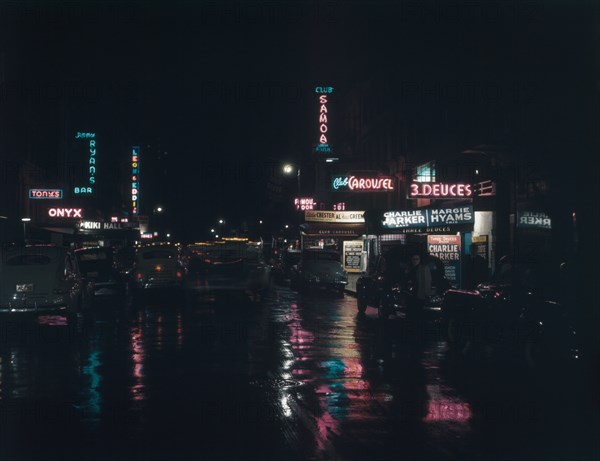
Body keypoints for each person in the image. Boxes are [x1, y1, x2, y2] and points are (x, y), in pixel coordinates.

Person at [405, 254, 432, 322]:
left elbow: (427, 281)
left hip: (420, 292)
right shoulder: (410, 268)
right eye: (414, 259)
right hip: (411, 293)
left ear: (420, 260)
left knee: (419, 311)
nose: (415, 261)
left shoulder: (423, 268)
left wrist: (427, 293)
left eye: (417, 259)